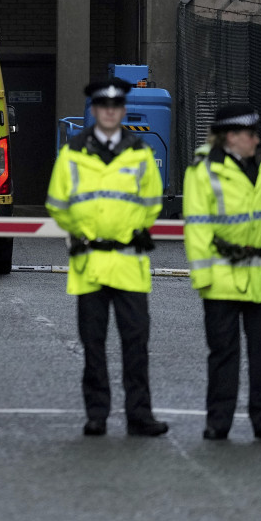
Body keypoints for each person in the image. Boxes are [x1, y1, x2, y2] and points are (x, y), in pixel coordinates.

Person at [45, 77, 169, 438]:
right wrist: (81, 229)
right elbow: (57, 202)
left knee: (136, 345)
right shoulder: (73, 152)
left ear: (122, 111)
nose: (110, 112)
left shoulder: (140, 153)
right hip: (91, 262)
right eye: (104, 107)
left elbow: (152, 203)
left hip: (130, 263)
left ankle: (139, 415)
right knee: (93, 345)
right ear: (95, 111)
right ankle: (96, 414)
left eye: (116, 107)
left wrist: (131, 227)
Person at [183, 103, 261, 443]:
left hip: (260, 277)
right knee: (224, 356)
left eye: (256, 134)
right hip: (222, 277)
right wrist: (203, 279)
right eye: (250, 134)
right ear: (231, 136)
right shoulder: (204, 171)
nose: (256, 140)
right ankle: (219, 422)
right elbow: (197, 228)